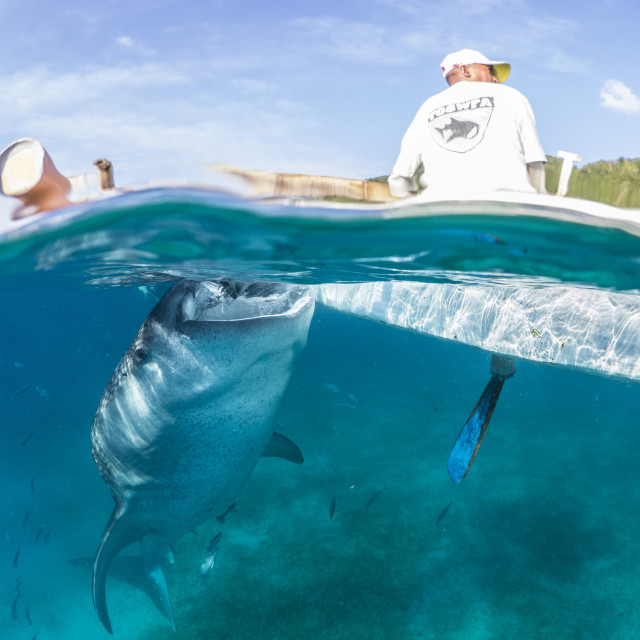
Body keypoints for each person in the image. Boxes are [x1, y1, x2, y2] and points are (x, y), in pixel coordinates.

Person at [388, 49, 547, 197]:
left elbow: (399, 177)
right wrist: (539, 199)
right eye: (490, 71)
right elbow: (535, 162)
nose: (495, 79)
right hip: (509, 206)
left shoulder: (428, 107)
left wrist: (409, 202)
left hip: (443, 208)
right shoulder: (512, 96)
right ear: (465, 70)